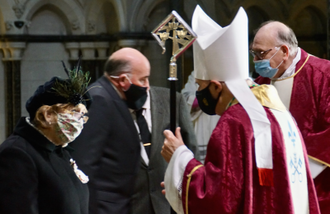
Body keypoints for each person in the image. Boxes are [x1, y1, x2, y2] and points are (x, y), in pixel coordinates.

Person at [161, 5, 320, 214]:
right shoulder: (279, 112)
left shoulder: (234, 122)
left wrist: (179, 157)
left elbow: (219, 199)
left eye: (200, 86)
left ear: (217, 86)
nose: (199, 92)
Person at [71, 47, 198, 214]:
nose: (147, 86)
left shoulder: (172, 101)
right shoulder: (101, 107)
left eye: (147, 79)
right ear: (123, 81)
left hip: (167, 206)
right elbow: (88, 164)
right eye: (142, 80)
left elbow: (190, 150)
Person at [251, 20, 330, 213]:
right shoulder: (261, 84)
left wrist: (292, 169)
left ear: (284, 51)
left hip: (317, 183)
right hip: (271, 183)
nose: (256, 61)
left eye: (261, 54)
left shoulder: (323, 75)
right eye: (253, 54)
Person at [0, 62, 91, 214]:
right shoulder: (16, 155)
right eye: (74, 112)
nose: (80, 121)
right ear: (47, 115)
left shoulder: (60, 150)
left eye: (82, 116)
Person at [181, 70, 220, 163]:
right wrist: (205, 97)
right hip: (203, 121)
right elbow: (184, 98)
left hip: (220, 116)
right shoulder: (197, 73)